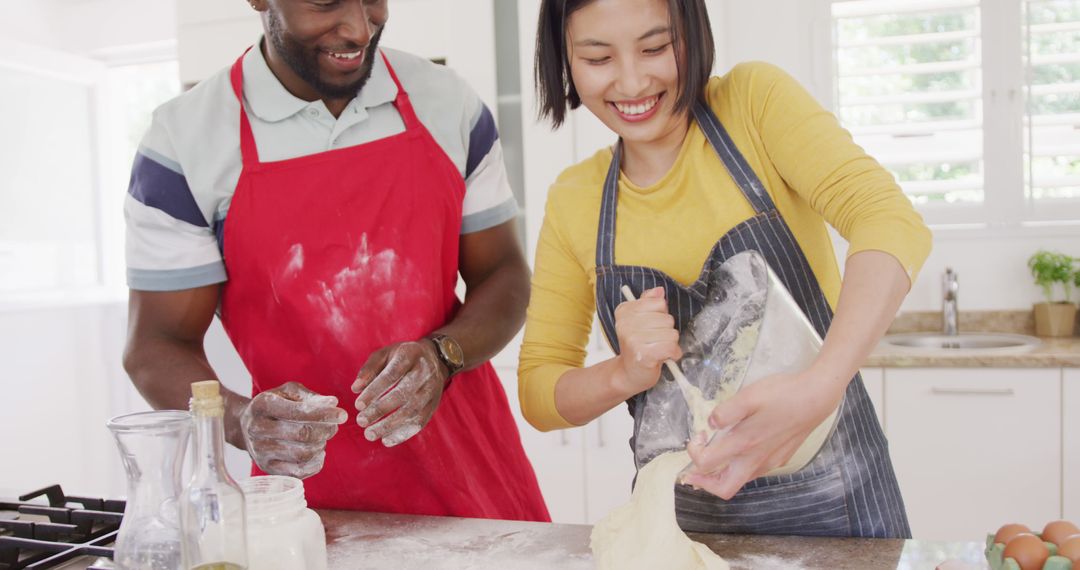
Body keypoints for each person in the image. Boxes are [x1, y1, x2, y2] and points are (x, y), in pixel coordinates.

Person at [122, 0, 549, 521]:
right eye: (326, 3)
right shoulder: (185, 142)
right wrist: (242, 421)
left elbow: (504, 274)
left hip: (474, 481)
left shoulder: (446, 101)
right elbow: (155, 345)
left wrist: (442, 355)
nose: (358, 27)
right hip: (308, 511)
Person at [519, 0, 931, 537]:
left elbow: (888, 219)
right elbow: (539, 389)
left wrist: (821, 385)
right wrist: (623, 373)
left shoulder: (753, 105)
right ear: (564, 62)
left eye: (656, 48)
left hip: (842, 510)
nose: (632, 81)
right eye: (597, 58)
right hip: (682, 530)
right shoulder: (577, 198)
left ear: (692, 32)